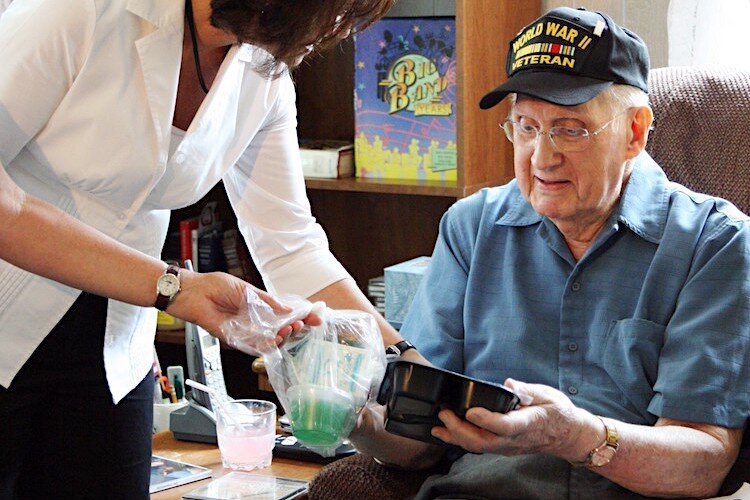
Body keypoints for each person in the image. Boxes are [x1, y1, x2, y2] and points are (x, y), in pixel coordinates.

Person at [340, 7, 750, 500]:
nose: (541, 157)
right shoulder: (472, 229)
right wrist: (350, 412)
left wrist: (576, 436)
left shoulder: (713, 242)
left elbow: (704, 462)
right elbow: (421, 439)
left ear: (635, 133)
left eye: (570, 129)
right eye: (526, 127)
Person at [0, 0, 400, 498]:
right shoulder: (79, 13)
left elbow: (291, 245)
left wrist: (405, 363)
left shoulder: (263, 71)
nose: (337, 29)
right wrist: (175, 289)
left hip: (115, 347)